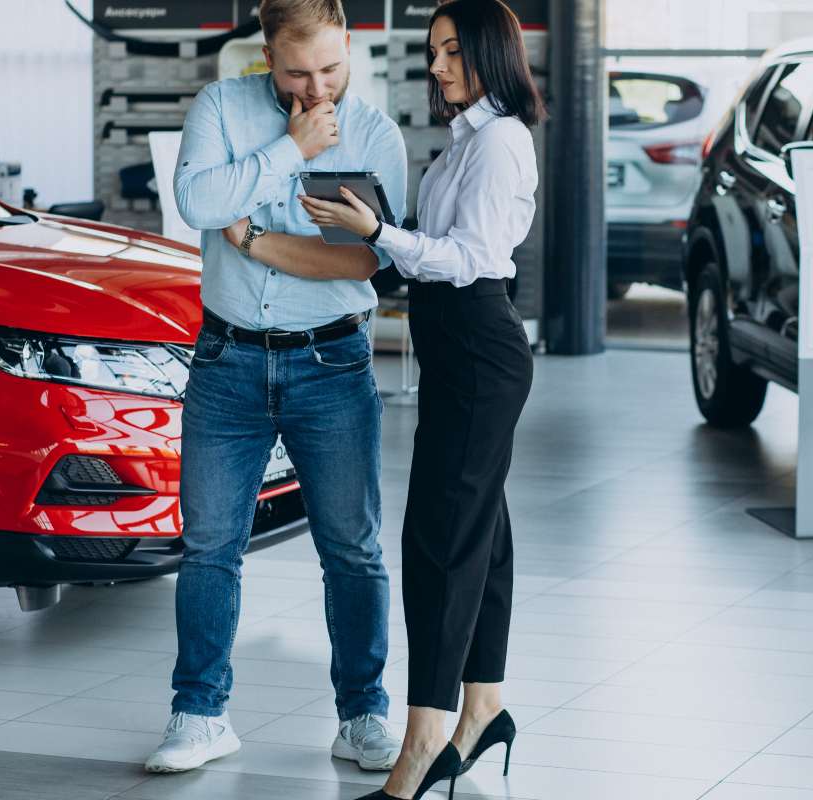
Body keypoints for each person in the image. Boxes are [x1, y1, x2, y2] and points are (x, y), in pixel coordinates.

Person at [143, 0, 407, 775]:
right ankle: (199, 715)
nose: (317, 86)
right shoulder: (222, 107)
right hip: (226, 362)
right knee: (209, 549)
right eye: (297, 72)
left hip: (331, 366)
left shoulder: (375, 136)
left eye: (330, 67)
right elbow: (197, 203)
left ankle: (363, 716)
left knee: (352, 552)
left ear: (349, 48)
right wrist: (290, 150)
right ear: (267, 57)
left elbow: (362, 264)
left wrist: (255, 236)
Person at [302, 1, 543, 797]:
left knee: (440, 542)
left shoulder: (500, 142)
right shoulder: (468, 139)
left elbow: (467, 259)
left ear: (483, 51)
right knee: (482, 535)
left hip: (477, 346)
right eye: (433, 51)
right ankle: (484, 707)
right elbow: (438, 249)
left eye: (447, 51)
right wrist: (377, 225)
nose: (435, 66)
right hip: (457, 348)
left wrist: (377, 233)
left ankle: (425, 742)